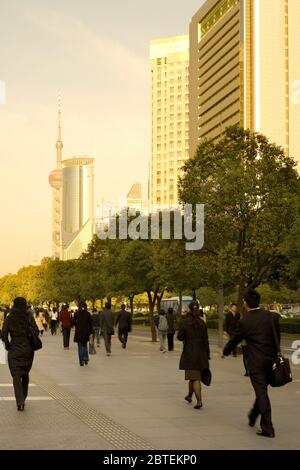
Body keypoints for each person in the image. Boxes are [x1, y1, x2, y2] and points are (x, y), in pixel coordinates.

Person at [223, 289, 280, 438]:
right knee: (261, 390)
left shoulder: (245, 321)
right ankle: (253, 415)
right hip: (271, 361)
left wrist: (226, 351)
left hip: (256, 362)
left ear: (246, 303)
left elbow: (235, 339)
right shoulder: (271, 316)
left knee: (261, 392)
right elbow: (277, 338)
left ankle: (268, 427)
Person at [1, 297, 39, 411]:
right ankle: (23, 397)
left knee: (16, 375)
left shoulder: (10, 317)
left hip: (14, 348)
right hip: (27, 348)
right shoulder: (28, 316)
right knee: (25, 373)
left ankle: (20, 401)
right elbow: (36, 331)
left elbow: (3, 334)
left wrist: (8, 345)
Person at [177, 302, 210, 409]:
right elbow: (206, 340)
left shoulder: (185, 322)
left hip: (190, 353)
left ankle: (199, 401)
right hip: (202, 353)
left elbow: (180, 337)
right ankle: (189, 395)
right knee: (193, 376)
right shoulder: (202, 323)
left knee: (195, 378)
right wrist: (207, 355)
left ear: (189, 310)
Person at [73, 302, 92, 366]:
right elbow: (90, 324)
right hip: (86, 332)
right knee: (85, 345)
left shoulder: (76, 313)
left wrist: (77, 325)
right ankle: (85, 358)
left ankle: (81, 361)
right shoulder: (88, 314)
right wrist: (91, 332)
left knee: (80, 347)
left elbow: (73, 322)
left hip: (79, 332)